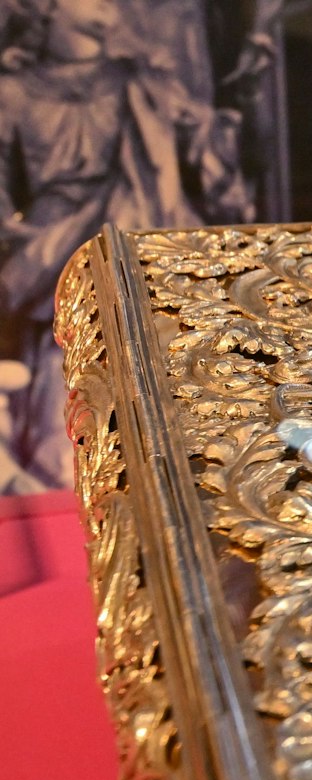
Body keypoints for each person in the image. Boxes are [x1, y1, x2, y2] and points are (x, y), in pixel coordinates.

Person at [0, 0, 250, 491]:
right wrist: (18, 234)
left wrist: (211, 130)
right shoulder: (12, 93)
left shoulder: (144, 82)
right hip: (54, 254)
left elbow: (206, 162)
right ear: (47, 9)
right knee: (67, 387)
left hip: (138, 237)